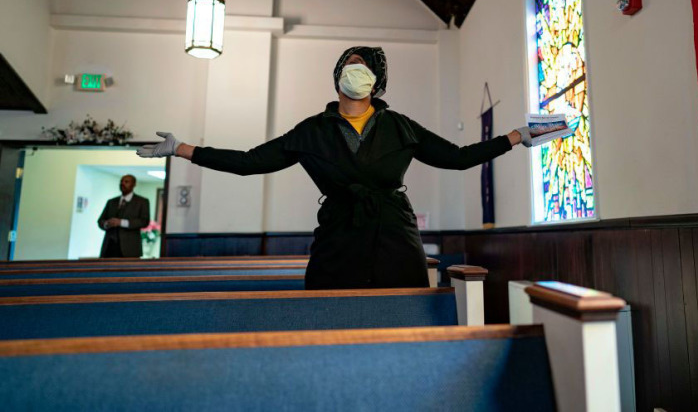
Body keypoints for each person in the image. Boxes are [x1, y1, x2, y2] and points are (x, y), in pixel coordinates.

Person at [138, 46, 531, 289]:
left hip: (395, 233)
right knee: (332, 311)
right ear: (337, 76)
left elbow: (459, 158)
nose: (354, 71)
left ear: (376, 80)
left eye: (362, 66)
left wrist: (515, 136)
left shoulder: (400, 126)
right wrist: (182, 149)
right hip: (338, 237)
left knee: (401, 316)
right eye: (349, 64)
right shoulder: (312, 131)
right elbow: (248, 162)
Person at [97, 174, 150, 258]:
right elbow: (100, 221)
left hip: (130, 248)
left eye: (126, 182)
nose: (122, 183)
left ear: (134, 184)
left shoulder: (142, 202)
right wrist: (107, 223)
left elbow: (144, 221)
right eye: (121, 181)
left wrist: (121, 222)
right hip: (109, 248)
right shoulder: (111, 202)